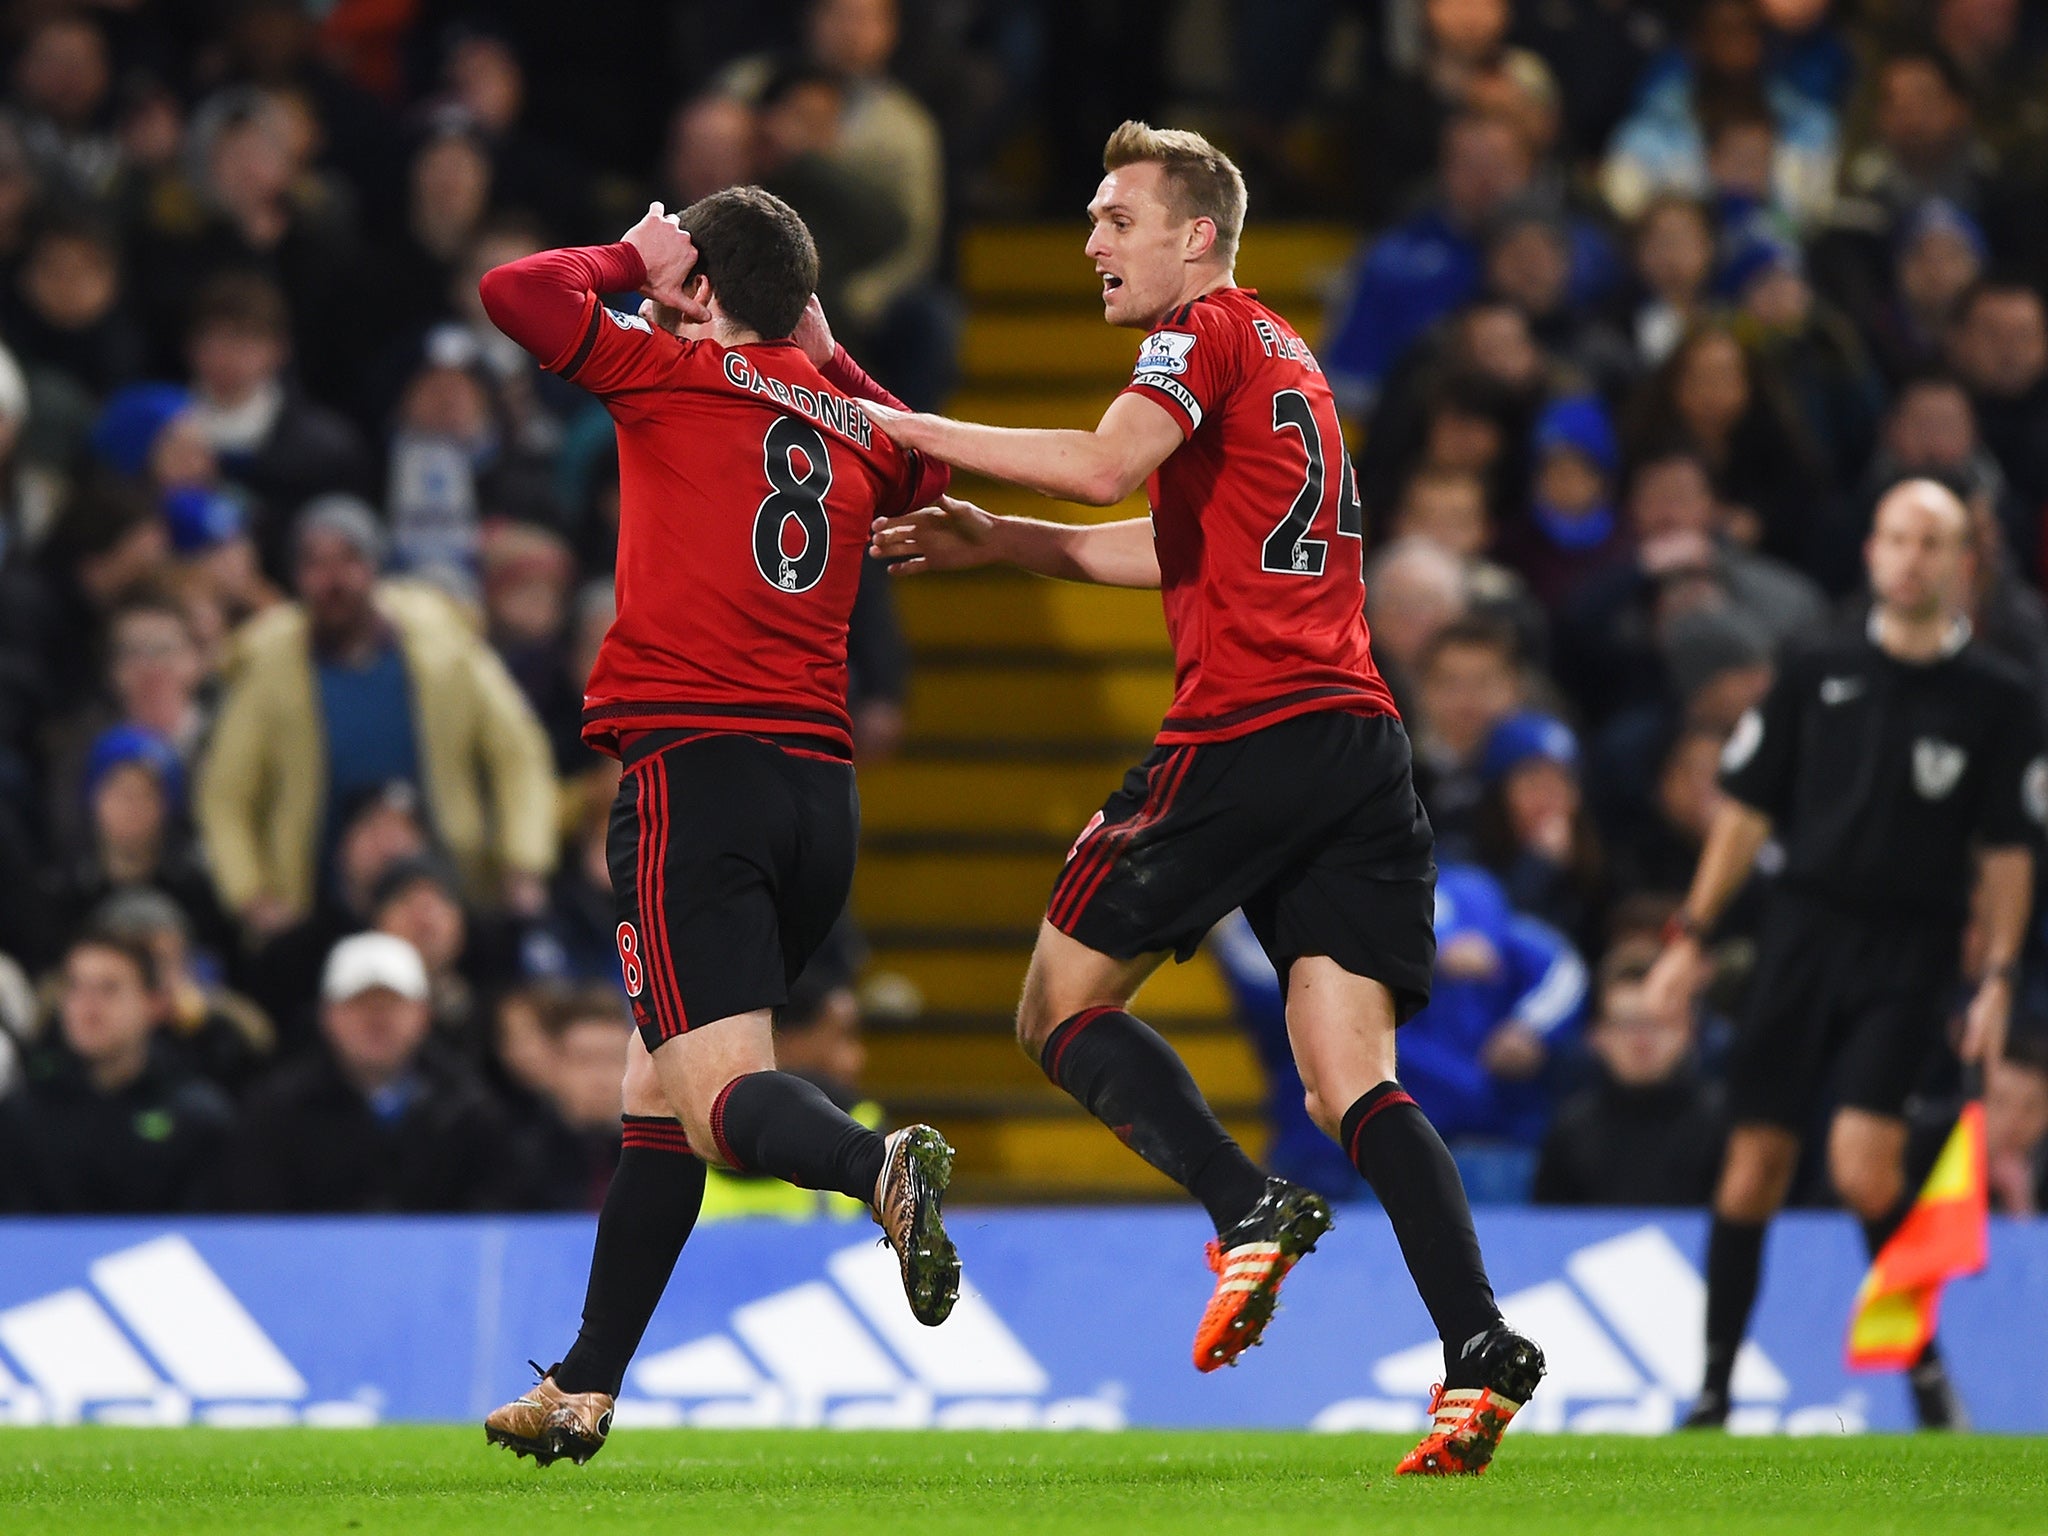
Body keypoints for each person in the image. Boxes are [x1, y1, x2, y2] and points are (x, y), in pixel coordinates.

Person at [867, 122, 1544, 1476]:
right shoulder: (1289, 355)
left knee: (1056, 1007)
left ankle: (1245, 1207)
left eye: (1119, 217)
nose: (1094, 241)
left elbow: (1108, 465)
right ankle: (1478, 1349)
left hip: (1246, 731)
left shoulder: (1197, 333)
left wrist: (896, 426)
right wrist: (1005, 543)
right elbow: (1161, 539)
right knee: (1356, 1078)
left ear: (1196, 236)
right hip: (1357, 742)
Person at [474, 188, 958, 1466]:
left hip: (695, 770)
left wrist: (620, 257)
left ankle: (877, 1166)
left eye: (673, 264)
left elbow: (516, 293)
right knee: (658, 1090)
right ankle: (584, 1385)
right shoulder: (847, 417)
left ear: (696, 288)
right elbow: (928, 466)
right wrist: (819, 345)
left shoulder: (667, 369)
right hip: (818, 789)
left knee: (716, 1095)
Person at [1645, 478, 2044, 1431]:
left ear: (1962, 565)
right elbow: (1746, 807)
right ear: (1871, 552)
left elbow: (2005, 854)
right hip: (1802, 932)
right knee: (1753, 1171)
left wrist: (1996, 977)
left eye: (1932, 542)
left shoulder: (1997, 697)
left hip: (1908, 946)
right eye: (1895, 538)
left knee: (1865, 1168)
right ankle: (1713, 1389)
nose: (1910, 558)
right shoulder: (1814, 661)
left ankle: (1923, 1372)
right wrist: (1691, 937)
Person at [195, 495, 558, 943]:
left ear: (376, 567)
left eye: (348, 560)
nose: (333, 581)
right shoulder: (267, 666)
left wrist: (522, 863)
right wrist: (251, 895)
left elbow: (518, 755)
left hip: (451, 893)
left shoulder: (443, 646)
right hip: (317, 907)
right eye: (315, 564)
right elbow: (225, 794)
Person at [216, 932, 533, 1214]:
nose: (377, 1020)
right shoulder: (275, 1112)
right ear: (328, 1015)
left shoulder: (470, 1108)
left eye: (392, 1004)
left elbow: (496, 1210)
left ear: (422, 1015)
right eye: (360, 1003)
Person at [0, 929, 233, 1213]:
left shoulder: (197, 1117)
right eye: (75, 987)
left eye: (108, 989)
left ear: (154, 1003)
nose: (87, 1006)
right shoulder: (22, 1114)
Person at [1533, 939, 1725, 1207]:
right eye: (1625, 1024)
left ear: (1689, 1030)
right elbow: (1548, 1229)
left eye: (1658, 1023)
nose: (1641, 1040)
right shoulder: (1572, 1129)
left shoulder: (1726, 1124)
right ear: (1596, 1037)